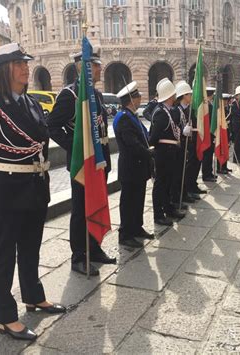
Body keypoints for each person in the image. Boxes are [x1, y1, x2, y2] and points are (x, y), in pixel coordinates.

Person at [0, 43, 66, 341]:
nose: (26, 68)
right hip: (6, 191)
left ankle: (33, 296)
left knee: (31, 248)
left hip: (35, 188)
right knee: (3, 255)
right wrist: (1, 169)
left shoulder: (30, 102)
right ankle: (6, 317)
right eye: (19, 64)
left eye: (25, 63)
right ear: (4, 70)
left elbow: (40, 142)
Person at [47, 50, 115, 277]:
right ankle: (78, 255)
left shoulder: (95, 94)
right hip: (82, 164)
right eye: (95, 65)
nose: (99, 68)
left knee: (96, 204)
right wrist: (76, 148)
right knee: (80, 210)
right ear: (82, 67)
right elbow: (52, 126)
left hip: (99, 163)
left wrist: (105, 161)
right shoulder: (70, 95)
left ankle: (93, 249)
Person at [113, 81, 154, 248]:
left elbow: (144, 137)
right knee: (128, 202)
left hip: (138, 166)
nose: (140, 99)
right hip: (130, 166)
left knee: (138, 199)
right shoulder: (123, 118)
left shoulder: (131, 115)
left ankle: (137, 228)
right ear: (131, 99)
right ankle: (126, 233)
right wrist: (150, 152)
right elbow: (132, 144)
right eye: (138, 97)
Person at [149, 78, 186, 226]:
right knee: (161, 184)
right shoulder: (160, 113)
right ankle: (158, 214)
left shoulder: (167, 111)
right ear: (170, 96)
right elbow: (154, 137)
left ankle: (168, 208)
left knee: (168, 182)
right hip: (163, 153)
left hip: (170, 152)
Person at [171, 81, 197, 205]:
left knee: (186, 171)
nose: (191, 97)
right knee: (178, 173)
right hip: (179, 146)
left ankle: (185, 193)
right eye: (189, 94)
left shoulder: (190, 110)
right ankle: (178, 196)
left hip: (189, 144)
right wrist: (182, 132)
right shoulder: (176, 111)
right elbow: (173, 129)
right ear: (184, 96)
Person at [202, 87, 217, 182]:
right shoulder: (206, 105)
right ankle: (206, 174)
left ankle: (209, 172)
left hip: (210, 134)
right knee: (207, 155)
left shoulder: (209, 105)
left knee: (210, 154)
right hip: (207, 134)